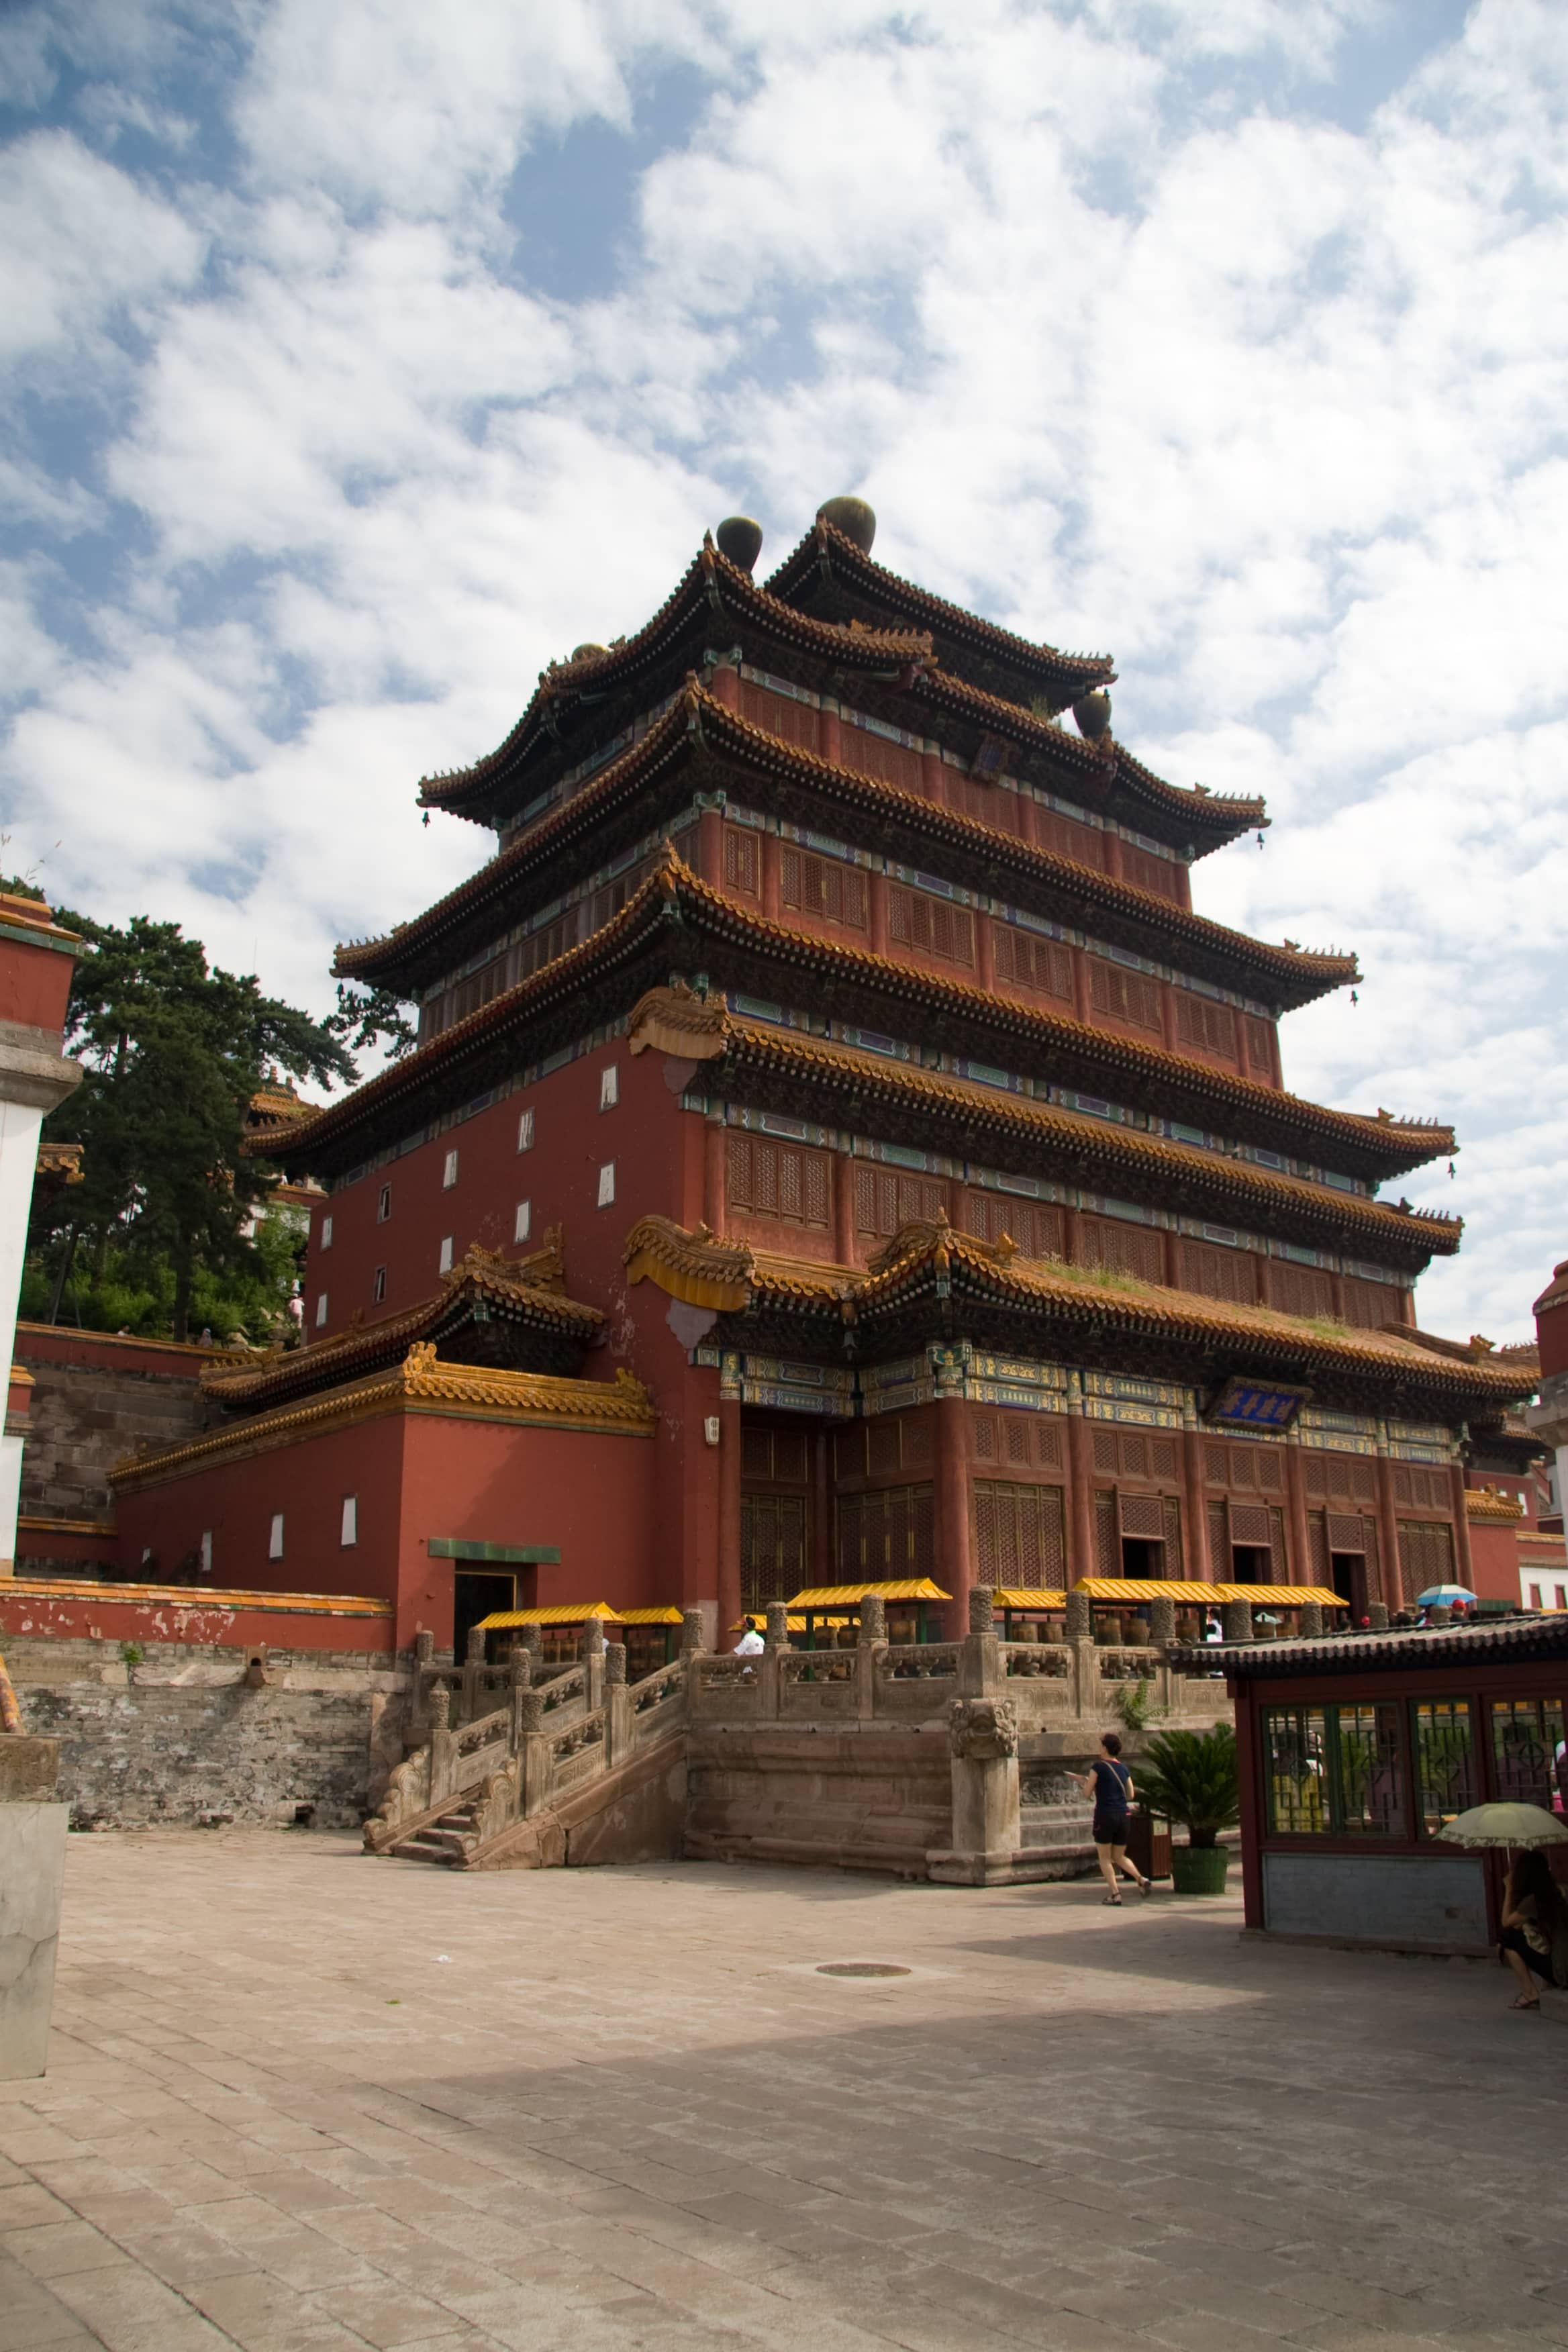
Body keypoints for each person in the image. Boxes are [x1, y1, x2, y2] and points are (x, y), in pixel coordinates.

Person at [1074, 1732, 1151, 1904]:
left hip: (1105, 1815)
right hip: (1124, 1815)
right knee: (1119, 1856)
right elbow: (1130, 1794)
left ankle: (1116, 1894)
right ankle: (1141, 1879)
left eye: (1101, 1745)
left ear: (1106, 1748)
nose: (1099, 1748)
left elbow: (1087, 1793)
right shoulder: (1124, 1768)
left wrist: (1085, 1783)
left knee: (1105, 1858)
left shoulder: (1098, 1767)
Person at [1499, 1849, 1568, 2009]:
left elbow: (1506, 1923)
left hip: (1564, 1972)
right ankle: (1546, 1986)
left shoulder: (1534, 1900)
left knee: (1507, 1938)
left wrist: (1509, 1888)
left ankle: (1530, 1992)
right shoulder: (1560, 1891)